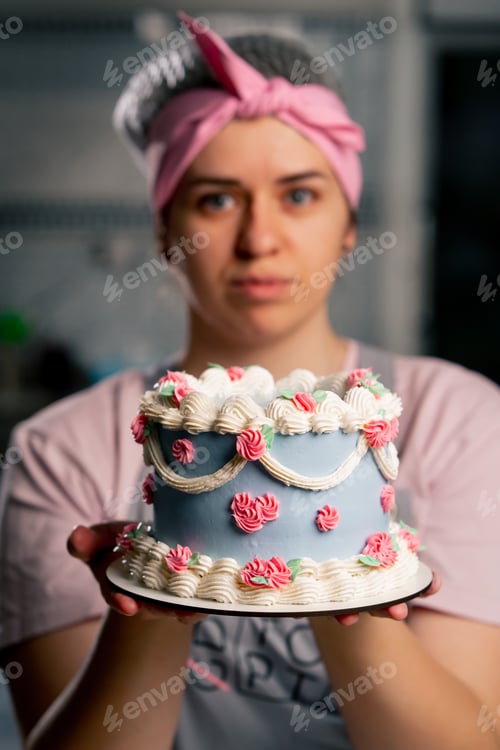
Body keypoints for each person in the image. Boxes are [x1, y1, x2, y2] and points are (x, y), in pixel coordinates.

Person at [1, 11, 499, 750]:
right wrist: (152, 595)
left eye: (299, 195)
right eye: (216, 199)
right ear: (167, 232)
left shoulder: (462, 418)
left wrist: (345, 584)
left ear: (348, 223)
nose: (260, 239)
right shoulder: (55, 451)